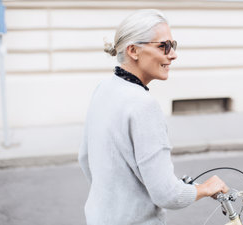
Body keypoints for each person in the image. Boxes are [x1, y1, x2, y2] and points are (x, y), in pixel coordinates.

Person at [78, 9, 229, 225]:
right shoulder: (143, 105)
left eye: (173, 45)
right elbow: (166, 194)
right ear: (133, 50)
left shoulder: (104, 88)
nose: (173, 54)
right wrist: (205, 188)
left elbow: (85, 158)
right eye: (163, 46)